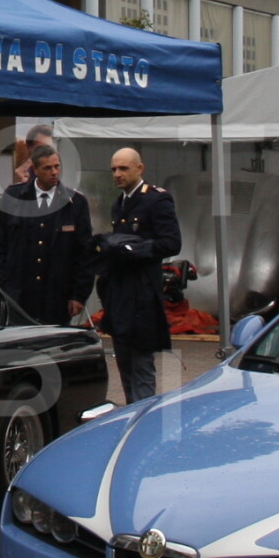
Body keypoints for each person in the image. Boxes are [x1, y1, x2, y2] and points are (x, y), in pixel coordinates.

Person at [93, 148, 180, 404]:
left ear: (139, 168)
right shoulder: (119, 203)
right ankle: (131, 413)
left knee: (141, 367)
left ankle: (143, 417)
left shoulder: (156, 199)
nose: (117, 174)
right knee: (125, 364)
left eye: (123, 168)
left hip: (142, 295)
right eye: (113, 169)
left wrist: (133, 249)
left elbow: (172, 243)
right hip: (119, 294)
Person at [0, 144, 94, 325]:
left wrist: (78, 295)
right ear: (35, 170)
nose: (54, 172)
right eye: (47, 168)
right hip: (20, 295)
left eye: (57, 166)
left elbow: (85, 254)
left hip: (57, 297)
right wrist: (6, 286)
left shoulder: (75, 203)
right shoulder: (14, 197)